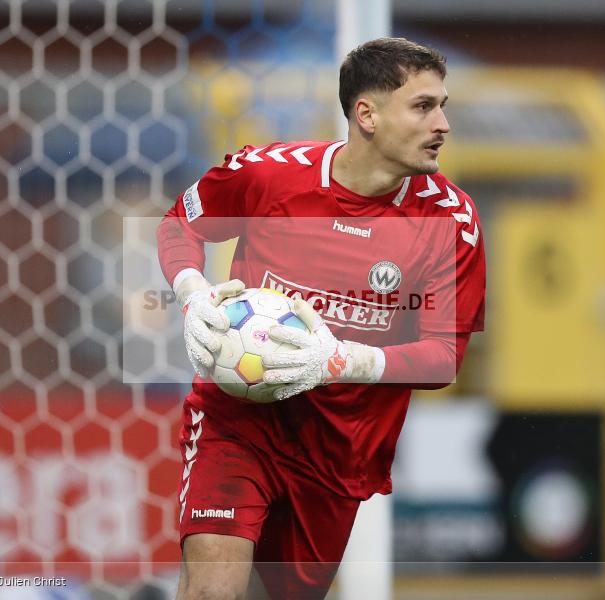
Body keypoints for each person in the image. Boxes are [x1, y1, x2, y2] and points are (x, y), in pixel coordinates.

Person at [156, 37, 485, 600]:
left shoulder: (451, 221)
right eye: (424, 106)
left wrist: (339, 359)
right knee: (213, 587)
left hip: (337, 452)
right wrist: (192, 295)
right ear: (367, 115)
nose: (444, 123)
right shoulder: (269, 174)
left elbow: (443, 356)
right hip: (240, 420)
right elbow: (178, 224)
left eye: (443, 105)